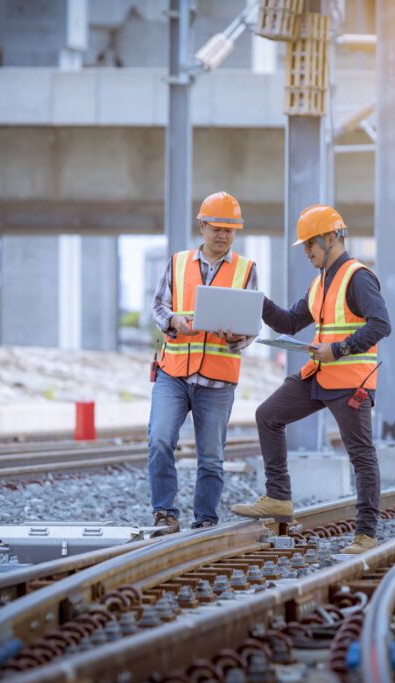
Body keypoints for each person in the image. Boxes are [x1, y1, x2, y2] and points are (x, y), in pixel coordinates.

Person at [231, 204, 391, 554]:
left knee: (361, 455)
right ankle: (278, 497)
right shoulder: (320, 282)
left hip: (350, 380)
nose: (305, 251)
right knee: (268, 415)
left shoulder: (357, 276)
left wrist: (341, 348)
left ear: (331, 237)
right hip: (318, 375)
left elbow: (381, 324)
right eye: (304, 245)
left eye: (310, 244)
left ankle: (366, 535)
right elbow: (289, 323)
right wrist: (255, 299)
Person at [148, 191, 258, 535]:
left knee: (211, 457)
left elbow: (251, 326)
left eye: (229, 229)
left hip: (217, 379)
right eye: (216, 228)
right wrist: (173, 322)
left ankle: (205, 520)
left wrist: (235, 338)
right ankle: (164, 512)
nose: (223, 235)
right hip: (174, 373)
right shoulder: (178, 262)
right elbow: (157, 307)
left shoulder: (246, 270)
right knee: (160, 439)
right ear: (203, 225)